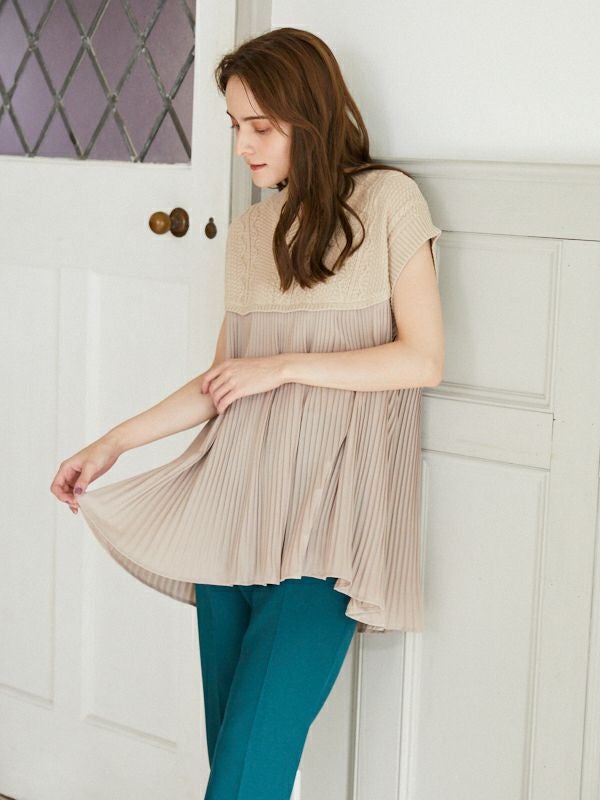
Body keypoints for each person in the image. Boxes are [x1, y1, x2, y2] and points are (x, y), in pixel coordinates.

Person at [50, 26, 444, 800]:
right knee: (237, 766)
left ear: (311, 115)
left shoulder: (390, 202)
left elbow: (422, 359)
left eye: (259, 126)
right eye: (235, 126)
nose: (242, 147)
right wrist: (113, 442)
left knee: (242, 777)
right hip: (234, 515)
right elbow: (220, 382)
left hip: (329, 526)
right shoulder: (250, 234)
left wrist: (285, 365)